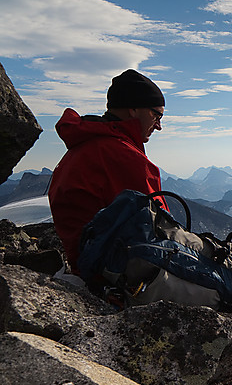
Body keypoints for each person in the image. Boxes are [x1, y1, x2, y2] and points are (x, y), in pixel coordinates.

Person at [48, 69, 166, 274]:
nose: (159, 126)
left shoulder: (86, 145)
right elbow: (160, 225)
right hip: (112, 271)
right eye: (156, 115)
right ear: (133, 110)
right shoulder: (121, 156)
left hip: (88, 262)